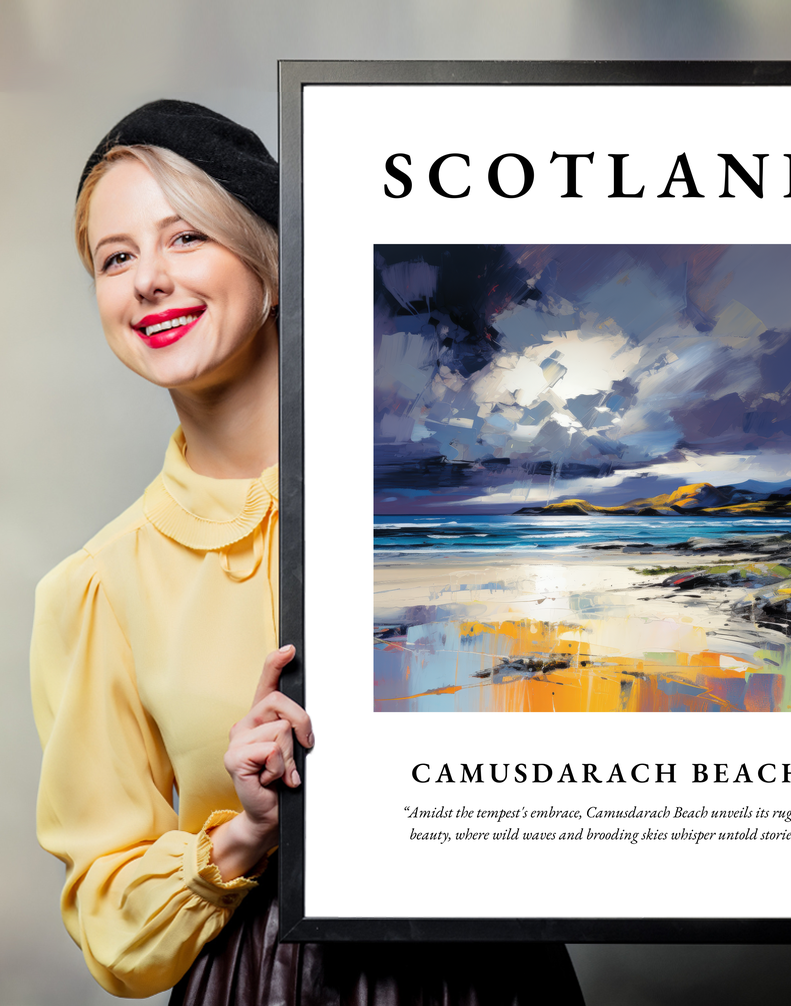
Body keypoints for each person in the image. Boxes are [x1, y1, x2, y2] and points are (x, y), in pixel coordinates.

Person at [30, 100, 585, 1004]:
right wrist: (245, 832)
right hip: (263, 982)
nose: (148, 281)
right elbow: (110, 924)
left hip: (492, 973)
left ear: (274, 265)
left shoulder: (455, 495)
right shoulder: (97, 587)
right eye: (116, 257)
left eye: (186, 239)